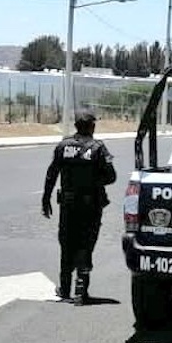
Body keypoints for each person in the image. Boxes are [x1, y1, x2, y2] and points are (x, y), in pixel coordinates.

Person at [41, 108, 117, 305]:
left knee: (66, 244)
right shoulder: (98, 148)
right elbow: (111, 176)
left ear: (76, 126)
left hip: (67, 204)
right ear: (92, 126)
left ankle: (64, 288)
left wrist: (46, 199)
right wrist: (94, 180)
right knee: (85, 244)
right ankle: (81, 290)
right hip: (90, 206)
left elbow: (52, 174)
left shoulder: (63, 146)